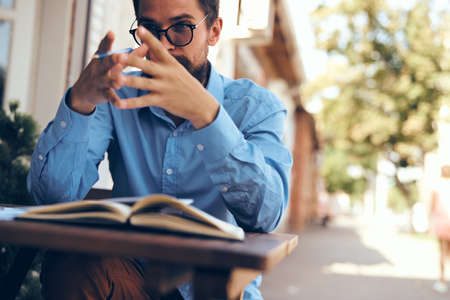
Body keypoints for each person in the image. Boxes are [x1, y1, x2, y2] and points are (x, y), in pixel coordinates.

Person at [26, 0, 293, 299]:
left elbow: (266, 215)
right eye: (150, 30)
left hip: (215, 286)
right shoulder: (118, 85)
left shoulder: (255, 107)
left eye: (181, 28)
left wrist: (206, 115)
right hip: (129, 278)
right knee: (70, 262)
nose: (163, 46)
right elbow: (51, 198)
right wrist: (81, 100)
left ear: (214, 31)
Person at [430, 165, 450, 294]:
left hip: (442, 221)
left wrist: (429, 220)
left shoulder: (437, 186)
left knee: (442, 252)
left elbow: (432, 205)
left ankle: (442, 281)